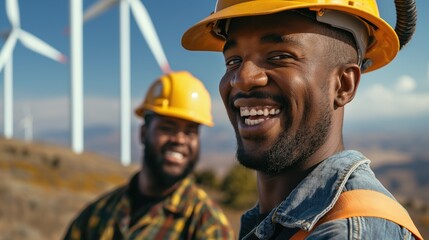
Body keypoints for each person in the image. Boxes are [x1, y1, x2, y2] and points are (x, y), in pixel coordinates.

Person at [182, 0, 423, 239]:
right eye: (233, 60)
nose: (242, 78)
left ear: (343, 85)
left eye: (279, 56)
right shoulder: (277, 223)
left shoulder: (350, 232)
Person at [63, 71, 235, 239]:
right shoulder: (97, 215)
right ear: (143, 133)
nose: (179, 140)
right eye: (167, 128)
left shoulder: (209, 226)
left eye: (190, 132)